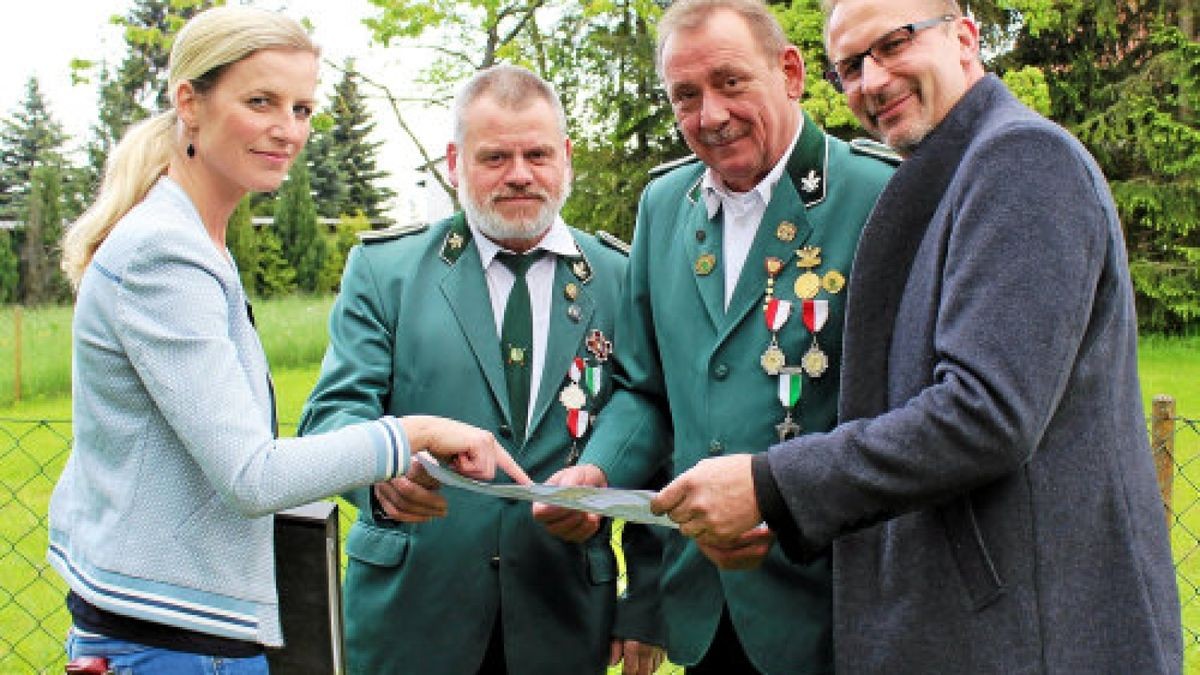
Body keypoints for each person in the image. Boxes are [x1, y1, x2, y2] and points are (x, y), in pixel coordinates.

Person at [651, 0, 1184, 672]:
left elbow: (984, 413)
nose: (872, 81)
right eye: (849, 66)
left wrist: (771, 483)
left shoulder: (1021, 158)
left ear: (966, 37)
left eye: (894, 45)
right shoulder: (948, 173)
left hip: (1034, 638)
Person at [47, 7, 524, 674]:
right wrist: (409, 432)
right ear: (189, 101)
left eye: (302, 108)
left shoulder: (194, 237)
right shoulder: (165, 252)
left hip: (181, 627)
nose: (288, 130)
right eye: (261, 102)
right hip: (171, 641)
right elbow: (250, 474)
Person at [533, 0, 898, 672]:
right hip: (704, 602)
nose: (709, 115)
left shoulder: (877, 196)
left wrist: (788, 502)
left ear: (788, 71)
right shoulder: (664, 205)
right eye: (685, 96)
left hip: (838, 607)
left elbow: (907, 421)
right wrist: (600, 469)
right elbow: (645, 390)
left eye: (731, 82)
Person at [297, 64, 665, 675]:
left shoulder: (624, 278)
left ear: (566, 157)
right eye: (494, 157)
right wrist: (379, 473)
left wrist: (645, 596)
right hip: (412, 618)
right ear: (454, 162)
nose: (519, 175)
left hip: (563, 612)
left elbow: (653, 418)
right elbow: (331, 413)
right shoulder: (386, 272)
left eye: (537, 154)